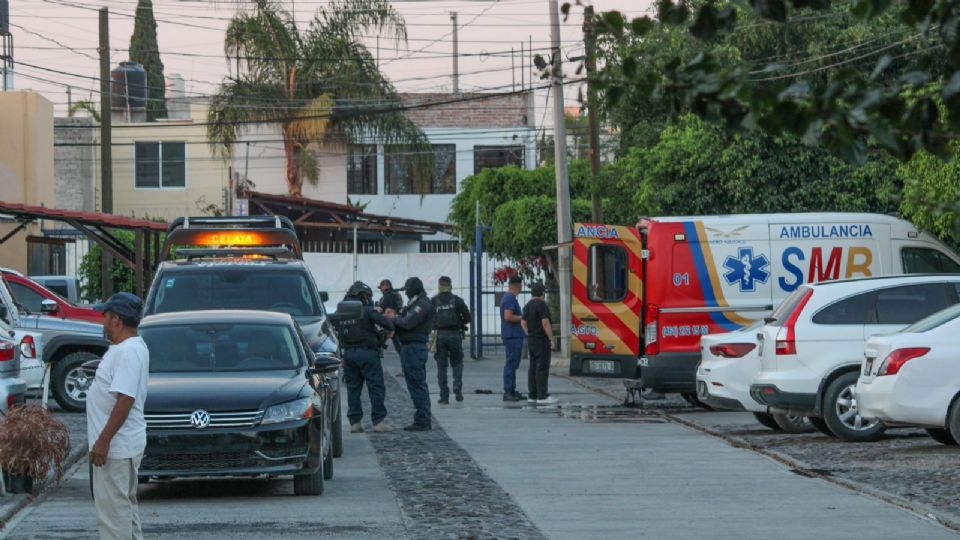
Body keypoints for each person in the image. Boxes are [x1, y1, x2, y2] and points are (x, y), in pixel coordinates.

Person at [87, 292, 150, 540]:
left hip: (116, 448)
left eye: (106, 316)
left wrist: (103, 441)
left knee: (114, 519)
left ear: (117, 320)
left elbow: (125, 399)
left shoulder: (127, 351)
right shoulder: (130, 348)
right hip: (121, 446)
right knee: (124, 510)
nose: (103, 321)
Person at [339, 281, 395, 433]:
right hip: (368, 353)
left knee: (353, 389)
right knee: (376, 387)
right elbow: (388, 325)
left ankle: (355, 423)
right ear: (364, 296)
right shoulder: (367, 310)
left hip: (348, 354)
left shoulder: (341, 311)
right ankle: (378, 421)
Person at [389, 277, 435, 431]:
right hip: (409, 347)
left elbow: (408, 322)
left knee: (417, 384)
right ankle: (422, 417)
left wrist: (394, 318)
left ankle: (423, 419)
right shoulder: (415, 303)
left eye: (407, 289)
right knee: (415, 384)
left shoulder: (422, 304)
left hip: (415, 347)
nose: (406, 292)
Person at [431, 276, 471, 405]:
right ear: (450, 285)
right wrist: (461, 322)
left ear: (439, 286)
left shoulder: (433, 301)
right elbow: (468, 317)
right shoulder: (457, 301)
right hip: (455, 334)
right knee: (457, 363)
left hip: (439, 336)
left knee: (441, 367)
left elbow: (428, 319)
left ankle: (444, 397)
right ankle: (457, 385)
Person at [522, 282, 557, 404]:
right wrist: (551, 339)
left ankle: (532, 394)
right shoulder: (541, 305)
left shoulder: (527, 305)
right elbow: (545, 323)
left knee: (532, 367)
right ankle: (542, 396)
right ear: (542, 293)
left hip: (532, 340)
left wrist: (529, 333)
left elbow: (523, 323)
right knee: (542, 367)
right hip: (541, 340)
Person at [500, 276, 525, 402]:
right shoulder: (510, 298)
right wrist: (523, 318)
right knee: (511, 364)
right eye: (521, 286)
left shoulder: (509, 297)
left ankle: (512, 389)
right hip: (512, 336)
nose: (521, 289)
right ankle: (508, 390)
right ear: (517, 285)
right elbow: (508, 317)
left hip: (513, 335)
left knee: (513, 364)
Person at [378, 279, 404, 354]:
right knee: (398, 343)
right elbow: (400, 305)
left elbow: (381, 307)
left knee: (379, 340)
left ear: (386, 285)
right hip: (397, 320)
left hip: (388, 321)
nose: (380, 290)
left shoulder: (386, 295)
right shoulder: (397, 294)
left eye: (381, 287)